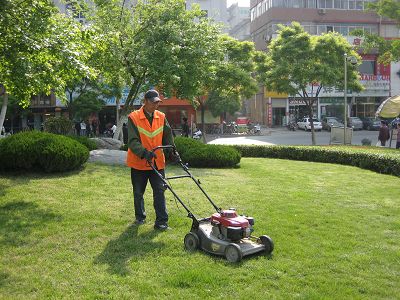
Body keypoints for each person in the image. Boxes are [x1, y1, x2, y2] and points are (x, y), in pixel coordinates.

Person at [126, 89, 175, 231]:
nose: (156, 105)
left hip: (157, 162)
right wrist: (145, 153)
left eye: (158, 102)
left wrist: (171, 150)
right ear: (145, 101)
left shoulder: (161, 116)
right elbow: (133, 141)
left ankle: (161, 222)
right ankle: (140, 217)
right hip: (139, 162)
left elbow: (167, 135)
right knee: (138, 192)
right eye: (153, 102)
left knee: (160, 191)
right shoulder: (133, 117)